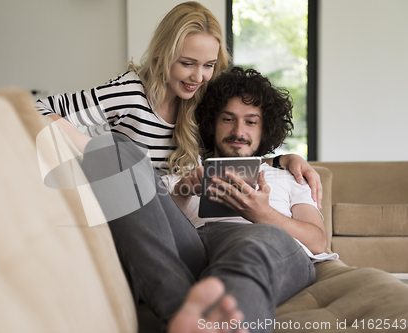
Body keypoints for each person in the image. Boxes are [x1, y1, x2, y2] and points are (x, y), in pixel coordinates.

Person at [78, 66, 336, 333]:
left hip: (268, 248)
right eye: (228, 119)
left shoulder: (287, 175)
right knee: (111, 148)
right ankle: (190, 317)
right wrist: (182, 192)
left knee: (256, 241)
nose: (239, 131)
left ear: (264, 129)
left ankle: (204, 318)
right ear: (212, 123)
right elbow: (153, 231)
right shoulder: (182, 175)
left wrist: (264, 215)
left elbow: (318, 241)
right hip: (196, 250)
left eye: (250, 121)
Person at [35, 1, 322, 201]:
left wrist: (284, 159)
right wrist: (93, 150)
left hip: (175, 216)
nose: (198, 76)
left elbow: (226, 157)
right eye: (187, 63)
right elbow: (33, 108)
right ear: (163, 54)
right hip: (129, 211)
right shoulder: (130, 93)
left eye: (209, 65)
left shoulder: (199, 101)